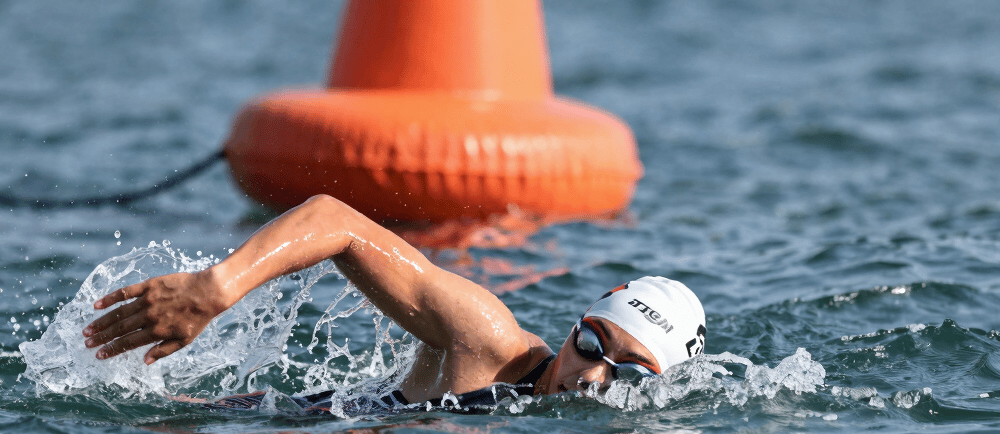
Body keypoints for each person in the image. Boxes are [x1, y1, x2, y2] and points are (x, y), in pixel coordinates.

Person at [82, 195, 706, 414]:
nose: (592, 374)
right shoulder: (487, 341)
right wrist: (217, 287)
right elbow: (335, 221)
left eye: (627, 373)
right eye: (592, 343)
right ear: (575, 327)